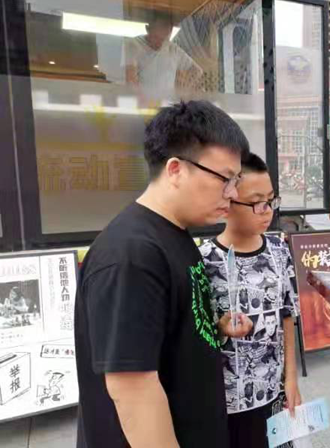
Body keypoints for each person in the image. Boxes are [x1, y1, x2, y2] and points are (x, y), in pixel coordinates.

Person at [74, 100, 253, 448]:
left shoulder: (175, 233)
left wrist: (214, 330)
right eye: (224, 179)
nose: (232, 194)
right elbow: (133, 388)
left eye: (236, 180)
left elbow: (164, 335)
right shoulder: (131, 254)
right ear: (175, 170)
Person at [200, 153, 302, 448]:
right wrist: (221, 328)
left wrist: (291, 379)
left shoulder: (278, 250)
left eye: (271, 200)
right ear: (228, 201)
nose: (266, 211)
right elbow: (196, 333)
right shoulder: (205, 260)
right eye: (257, 202)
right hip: (227, 399)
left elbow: (287, 316)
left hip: (273, 391)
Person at [123, 10, 202, 104]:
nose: (159, 44)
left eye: (164, 39)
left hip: (168, 105)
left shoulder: (173, 49)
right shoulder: (133, 45)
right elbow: (131, 79)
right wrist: (140, 98)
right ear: (147, 29)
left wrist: (183, 89)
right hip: (143, 103)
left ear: (170, 32)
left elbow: (197, 71)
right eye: (155, 37)